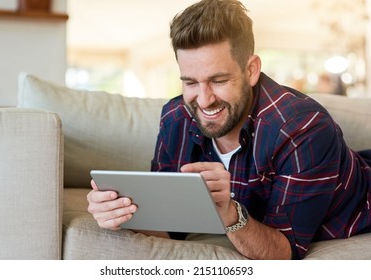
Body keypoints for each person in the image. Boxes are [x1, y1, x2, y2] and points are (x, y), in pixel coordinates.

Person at [87, 0, 371, 260]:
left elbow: (284, 252)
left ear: (251, 70)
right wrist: (122, 212)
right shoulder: (176, 118)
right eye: (190, 82)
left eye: (218, 79)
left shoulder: (302, 128)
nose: (204, 99)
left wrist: (228, 211)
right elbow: (169, 226)